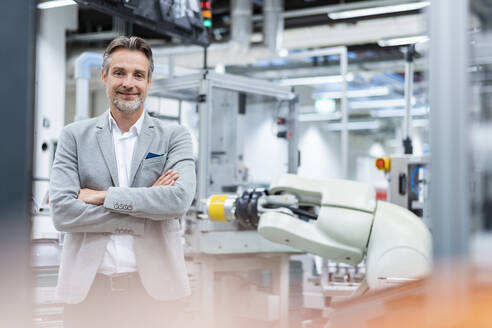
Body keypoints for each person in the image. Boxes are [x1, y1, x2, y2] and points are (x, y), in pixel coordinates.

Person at [49, 36, 196, 328]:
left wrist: (103, 196)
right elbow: (63, 212)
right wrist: (144, 209)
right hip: (88, 295)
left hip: (156, 296)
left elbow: (178, 200)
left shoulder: (174, 137)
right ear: (104, 76)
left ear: (149, 81)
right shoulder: (74, 137)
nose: (128, 83)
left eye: (138, 75)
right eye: (119, 73)